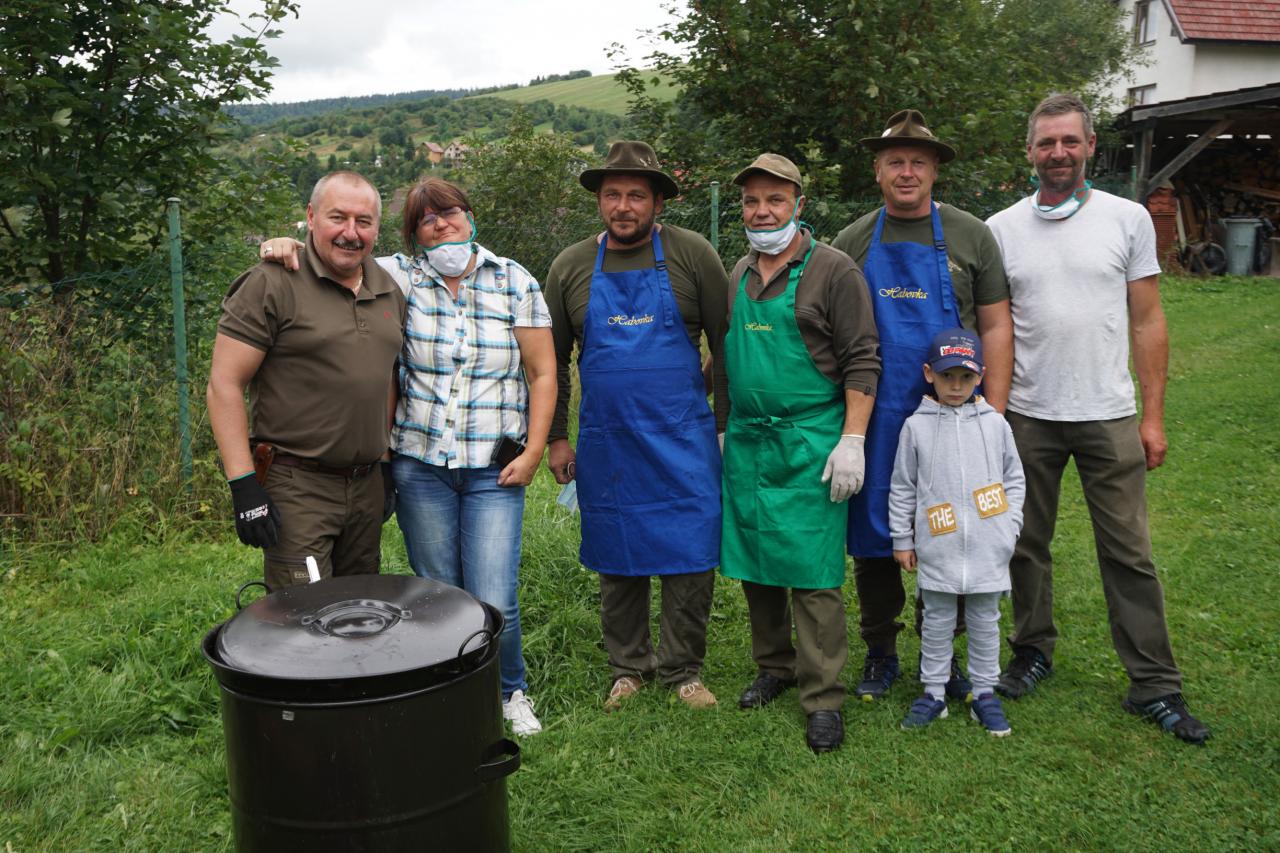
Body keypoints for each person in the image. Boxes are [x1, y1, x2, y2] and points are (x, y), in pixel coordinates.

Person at [257, 177, 556, 737]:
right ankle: (451, 691)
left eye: (450, 213)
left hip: (495, 469)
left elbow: (542, 373)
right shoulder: (398, 277)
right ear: (414, 235)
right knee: (439, 594)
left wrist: (535, 449)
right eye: (425, 220)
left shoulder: (515, 280)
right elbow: (339, 252)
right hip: (420, 467)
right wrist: (286, 245)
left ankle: (508, 690)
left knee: (494, 595)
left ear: (470, 217)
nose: (441, 226)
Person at [986, 92, 1209, 744]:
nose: (1058, 152)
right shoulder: (1001, 228)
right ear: (1029, 151)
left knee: (1129, 552)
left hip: (1107, 414)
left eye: (1069, 141)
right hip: (1028, 413)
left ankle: (1154, 683)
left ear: (1089, 146)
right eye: (1046, 142)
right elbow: (994, 325)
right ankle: (1032, 649)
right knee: (1023, 543)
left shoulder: (1127, 218)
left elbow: (1148, 320)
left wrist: (1153, 416)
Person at [831, 109, 1014, 702]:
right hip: (877, 413)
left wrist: (994, 416)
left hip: (956, 412)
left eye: (917, 162)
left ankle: (944, 653)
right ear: (877, 170)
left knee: (952, 525)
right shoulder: (853, 241)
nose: (906, 172)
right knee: (875, 534)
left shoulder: (970, 235)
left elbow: (996, 326)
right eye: (895, 162)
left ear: (934, 170)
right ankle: (881, 650)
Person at [543, 141, 729, 711]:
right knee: (616, 554)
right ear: (599, 200)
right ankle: (628, 668)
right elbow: (551, 363)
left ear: (658, 203)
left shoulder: (693, 255)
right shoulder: (571, 266)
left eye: (636, 196)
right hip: (610, 442)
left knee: (691, 553)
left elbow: (726, 347)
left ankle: (683, 671)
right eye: (612, 195)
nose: (623, 206)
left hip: (685, 437)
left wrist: (724, 427)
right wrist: (556, 437)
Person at [722, 154, 879, 753]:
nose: (762, 212)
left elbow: (863, 358)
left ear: (799, 205)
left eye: (775, 201)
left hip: (812, 440)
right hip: (749, 440)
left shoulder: (834, 270)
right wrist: (722, 427)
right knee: (756, 561)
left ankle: (823, 697)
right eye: (752, 201)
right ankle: (775, 666)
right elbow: (725, 359)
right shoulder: (738, 272)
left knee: (813, 573)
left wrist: (852, 439)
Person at [207, 171, 405, 593]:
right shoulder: (272, 282)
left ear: (377, 228)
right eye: (338, 217)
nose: (350, 232)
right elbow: (224, 383)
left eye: (364, 221)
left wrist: (385, 463)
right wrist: (243, 485)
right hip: (298, 485)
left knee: (361, 608)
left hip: (366, 484)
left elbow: (385, 376)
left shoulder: (388, 290)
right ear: (311, 217)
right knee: (304, 614)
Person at [890, 329, 1023, 736]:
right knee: (936, 620)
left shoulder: (996, 425)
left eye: (966, 377)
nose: (956, 385)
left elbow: (1014, 479)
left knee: (985, 620)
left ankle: (984, 693)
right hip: (939, 546)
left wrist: (1009, 527)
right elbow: (903, 486)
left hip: (988, 547)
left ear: (980, 376)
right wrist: (903, 539)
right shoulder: (916, 427)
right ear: (929, 373)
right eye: (947, 376)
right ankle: (933, 692)